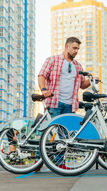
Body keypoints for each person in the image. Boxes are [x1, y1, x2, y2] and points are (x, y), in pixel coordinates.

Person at [36, 37, 92, 171]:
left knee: (65, 136)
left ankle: (60, 163)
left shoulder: (78, 66)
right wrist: (44, 90)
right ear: (66, 46)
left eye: (78, 49)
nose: (76, 51)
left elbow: (82, 85)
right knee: (47, 133)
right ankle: (37, 162)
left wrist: (91, 80)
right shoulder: (53, 60)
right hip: (54, 102)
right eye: (74, 48)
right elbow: (42, 75)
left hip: (70, 105)